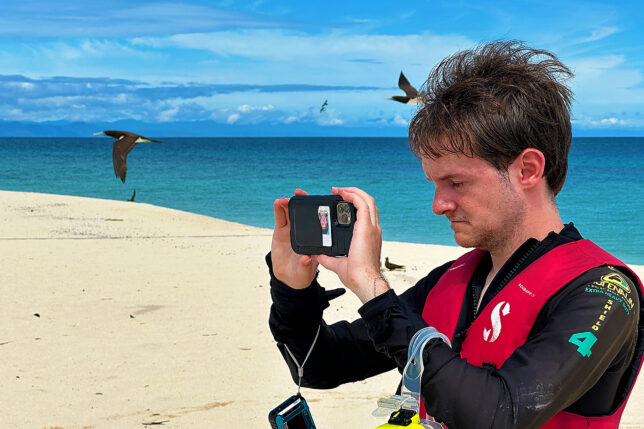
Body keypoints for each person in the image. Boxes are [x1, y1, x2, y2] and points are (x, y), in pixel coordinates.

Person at [267, 40, 643, 429]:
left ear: (527, 170)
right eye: (434, 184)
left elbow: (498, 415)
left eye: (456, 183)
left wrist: (371, 286)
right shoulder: (454, 281)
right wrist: (292, 288)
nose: (438, 205)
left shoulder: (602, 292)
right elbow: (316, 365)